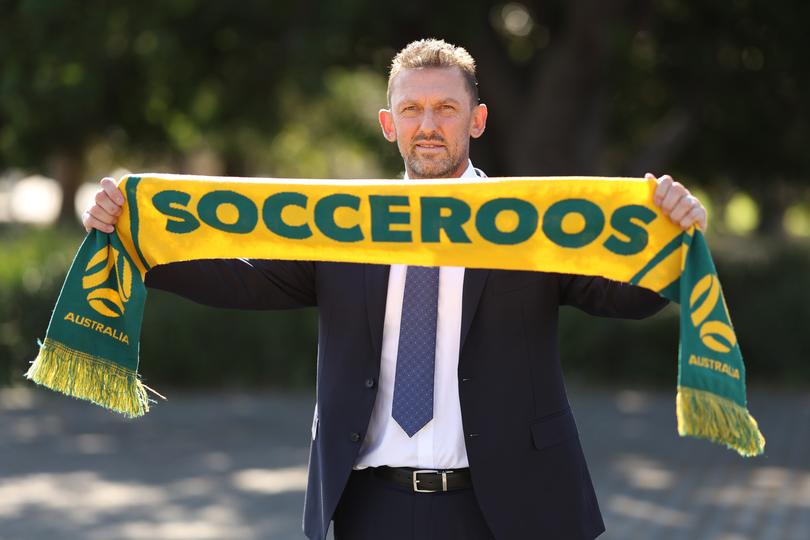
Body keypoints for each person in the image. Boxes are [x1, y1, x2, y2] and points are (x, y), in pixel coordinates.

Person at [83, 39, 707, 540]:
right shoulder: (346, 223)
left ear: (478, 119)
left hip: (514, 507)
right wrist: (136, 241)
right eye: (412, 110)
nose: (428, 126)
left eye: (445, 108)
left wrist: (671, 238)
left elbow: (621, 295)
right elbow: (245, 278)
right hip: (371, 507)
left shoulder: (526, 223)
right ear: (388, 124)